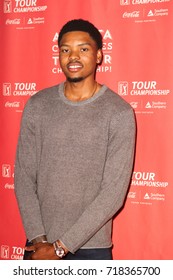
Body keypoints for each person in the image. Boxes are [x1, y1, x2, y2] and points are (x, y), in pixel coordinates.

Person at [14, 19, 136, 260]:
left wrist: (61, 247)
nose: (73, 56)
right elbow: (24, 176)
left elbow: (113, 193)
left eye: (83, 48)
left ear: (99, 55)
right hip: (39, 246)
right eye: (65, 50)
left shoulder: (119, 113)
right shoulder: (37, 105)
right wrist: (40, 240)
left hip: (91, 249)